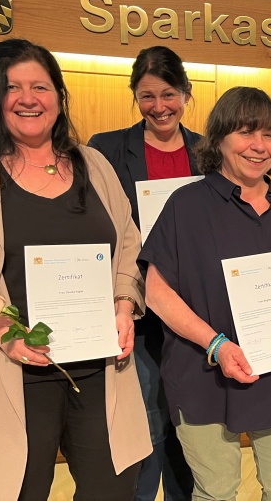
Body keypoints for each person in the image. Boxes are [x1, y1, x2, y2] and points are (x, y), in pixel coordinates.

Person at [0, 38, 151, 501]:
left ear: (59, 95)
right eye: (12, 87)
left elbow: (128, 246)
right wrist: (6, 334)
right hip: (7, 368)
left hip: (98, 367)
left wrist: (123, 305)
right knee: (16, 489)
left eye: (41, 86)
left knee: (111, 490)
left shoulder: (93, 165)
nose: (28, 98)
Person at [138, 86, 271, 501]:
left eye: (269, 135)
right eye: (246, 133)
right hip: (203, 371)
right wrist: (218, 345)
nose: (259, 146)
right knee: (216, 490)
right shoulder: (186, 204)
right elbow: (156, 293)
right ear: (220, 138)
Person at [88, 46, 199, 501]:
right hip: (133, 305)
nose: (159, 107)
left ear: (186, 94)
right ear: (135, 95)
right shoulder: (106, 149)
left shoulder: (208, 152)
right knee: (147, 422)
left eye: (168, 94)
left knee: (187, 422)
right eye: (146, 96)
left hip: (193, 306)